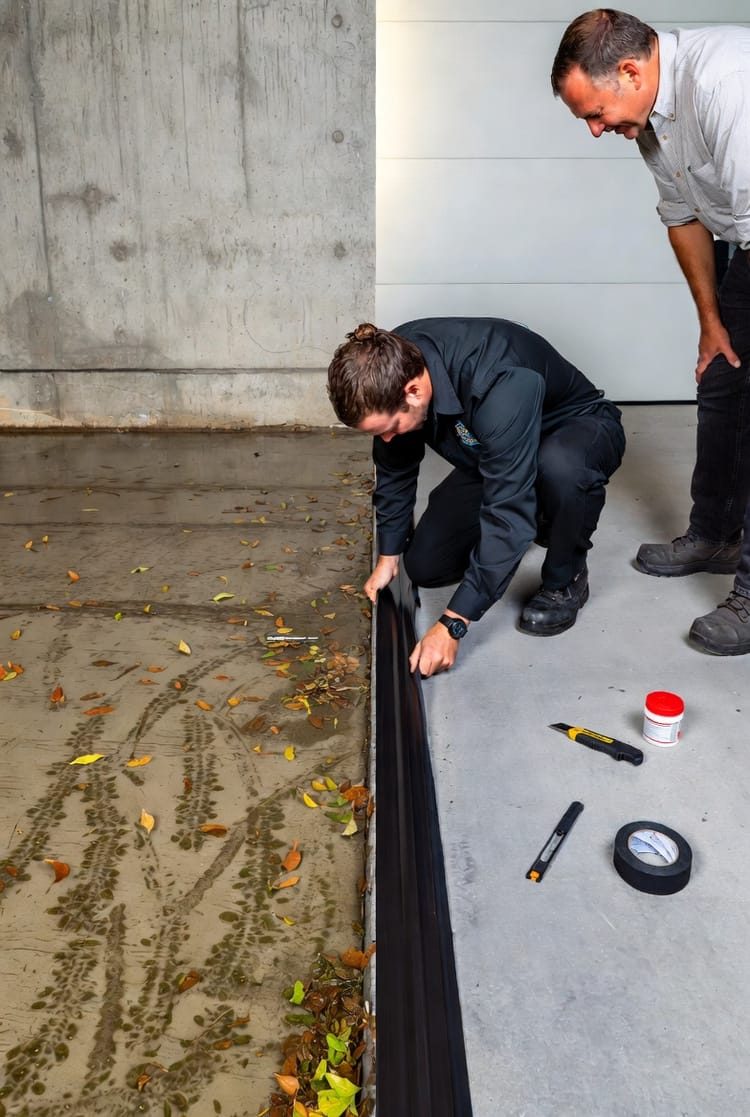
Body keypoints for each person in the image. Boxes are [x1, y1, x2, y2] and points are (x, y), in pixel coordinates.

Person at [551, 10, 750, 656]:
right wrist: (711, 324)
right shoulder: (651, 122)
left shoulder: (726, 85)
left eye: (596, 111)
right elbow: (685, 217)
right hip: (743, 241)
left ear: (631, 71)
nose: (595, 129)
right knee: (723, 379)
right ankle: (715, 533)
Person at [327, 317, 625, 676]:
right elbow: (394, 468)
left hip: (574, 430)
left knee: (558, 469)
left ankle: (567, 575)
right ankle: (542, 511)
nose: (387, 438)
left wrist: (453, 623)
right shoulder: (389, 360)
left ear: (413, 392)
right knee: (425, 566)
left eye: (390, 429)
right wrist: (388, 555)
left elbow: (506, 514)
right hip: (494, 453)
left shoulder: (500, 383)